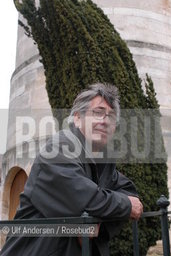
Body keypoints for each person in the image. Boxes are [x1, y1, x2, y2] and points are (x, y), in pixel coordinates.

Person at [0, 83, 143, 256]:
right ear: (77, 118)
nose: (105, 121)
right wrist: (124, 205)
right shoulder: (58, 149)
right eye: (98, 113)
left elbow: (130, 193)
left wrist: (97, 228)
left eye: (111, 117)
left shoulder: (103, 160)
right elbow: (84, 199)